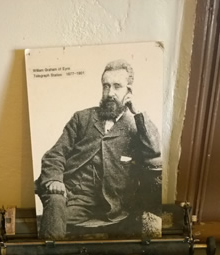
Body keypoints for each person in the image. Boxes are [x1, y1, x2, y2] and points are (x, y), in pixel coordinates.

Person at [35, 59, 162, 240]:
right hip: (75, 198)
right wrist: (55, 180)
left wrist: (138, 112)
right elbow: (55, 154)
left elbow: (155, 150)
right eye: (106, 86)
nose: (110, 93)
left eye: (117, 86)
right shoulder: (82, 118)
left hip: (114, 205)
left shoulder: (136, 125)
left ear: (129, 91)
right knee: (55, 206)